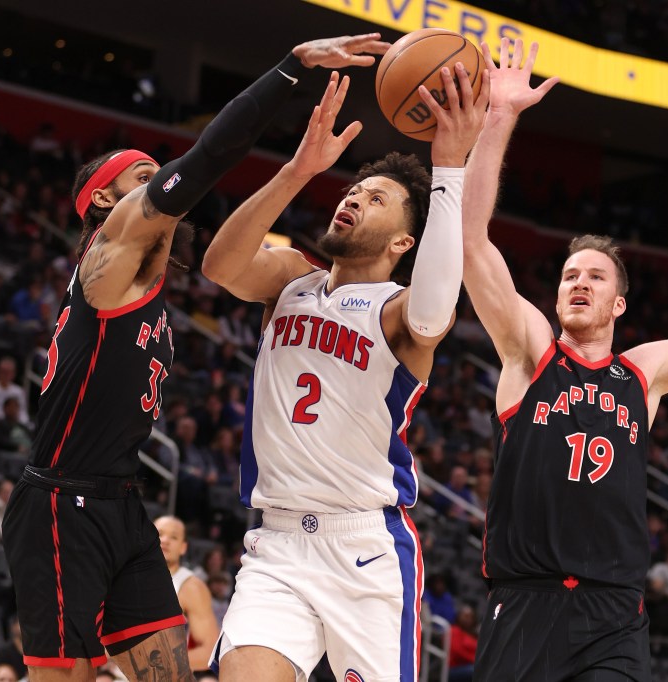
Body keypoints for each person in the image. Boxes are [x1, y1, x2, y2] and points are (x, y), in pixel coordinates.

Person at [0, 33, 391, 681]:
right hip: (59, 502)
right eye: (143, 177)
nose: (161, 185)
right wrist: (291, 69)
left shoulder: (150, 283)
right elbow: (212, 154)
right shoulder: (111, 251)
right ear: (105, 199)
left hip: (124, 503)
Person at [461, 38, 668, 680]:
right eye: (568, 276)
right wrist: (500, 116)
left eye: (593, 276)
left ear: (619, 304)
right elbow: (472, 243)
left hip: (614, 614)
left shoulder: (643, 374)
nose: (577, 283)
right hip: (525, 600)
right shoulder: (529, 350)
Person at [201, 51, 488, 681]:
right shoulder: (290, 279)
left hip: (364, 549)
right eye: (354, 189)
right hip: (276, 543)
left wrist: (448, 170)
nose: (355, 196)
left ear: (402, 243)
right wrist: (299, 170)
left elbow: (438, 312)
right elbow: (219, 266)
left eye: (377, 197)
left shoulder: (400, 312)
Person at [154, 516, 219, 671]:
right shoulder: (124, 577)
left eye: (174, 537)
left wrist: (162, 665)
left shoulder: (191, 586)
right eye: (159, 534)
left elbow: (208, 651)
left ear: (183, 547)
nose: (165, 540)